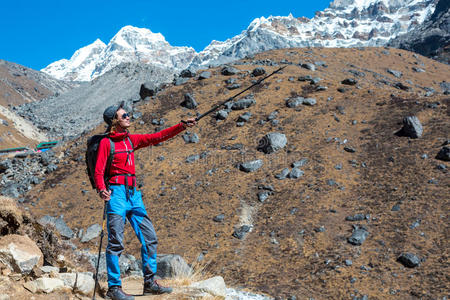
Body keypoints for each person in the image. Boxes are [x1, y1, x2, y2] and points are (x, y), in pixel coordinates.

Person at [94, 101, 196, 300]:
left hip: (133, 195)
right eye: (124, 115)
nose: (128, 117)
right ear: (114, 120)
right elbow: (98, 171)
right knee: (115, 243)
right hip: (116, 195)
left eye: (127, 114)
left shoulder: (132, 140)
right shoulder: (107, 143)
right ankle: (114, 288)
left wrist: (181, 126)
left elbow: (157, 137)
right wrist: (101, 190)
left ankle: (150, 283)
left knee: (150, 238)